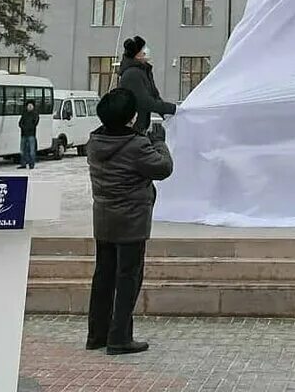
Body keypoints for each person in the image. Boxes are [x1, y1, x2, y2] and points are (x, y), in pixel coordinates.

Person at [86, 87, 174, 355]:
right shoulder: (137, 145)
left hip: (104, 219)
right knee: (128, 278)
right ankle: (120, 337)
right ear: (131, 117)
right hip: (131, 221)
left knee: (103, 277)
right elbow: (163, 168)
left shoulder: (94, 142)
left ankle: (97, 335)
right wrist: (159, 142)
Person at [117, 35, 177, 133]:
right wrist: (173, 109)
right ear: (137, 55)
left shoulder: (144, 71)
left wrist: (166, 114)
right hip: (131, 128)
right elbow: (145, 102)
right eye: (143, 48)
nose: (146, 50)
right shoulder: (132, 74)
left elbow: (155, 96)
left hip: (139, 127)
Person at [18, 99, 39, 170]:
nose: (29, 107)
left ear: (33, 106)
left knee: (31, 151)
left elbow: (34, 124)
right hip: (23, 134)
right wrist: (23, 127)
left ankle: (31, 164)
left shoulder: (35, 114)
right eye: (28, 105)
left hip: (31, 135)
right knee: (22, 150)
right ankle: (23, 164)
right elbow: (20, 123)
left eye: (31, 106)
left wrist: (27, 127)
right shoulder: (24, 114)